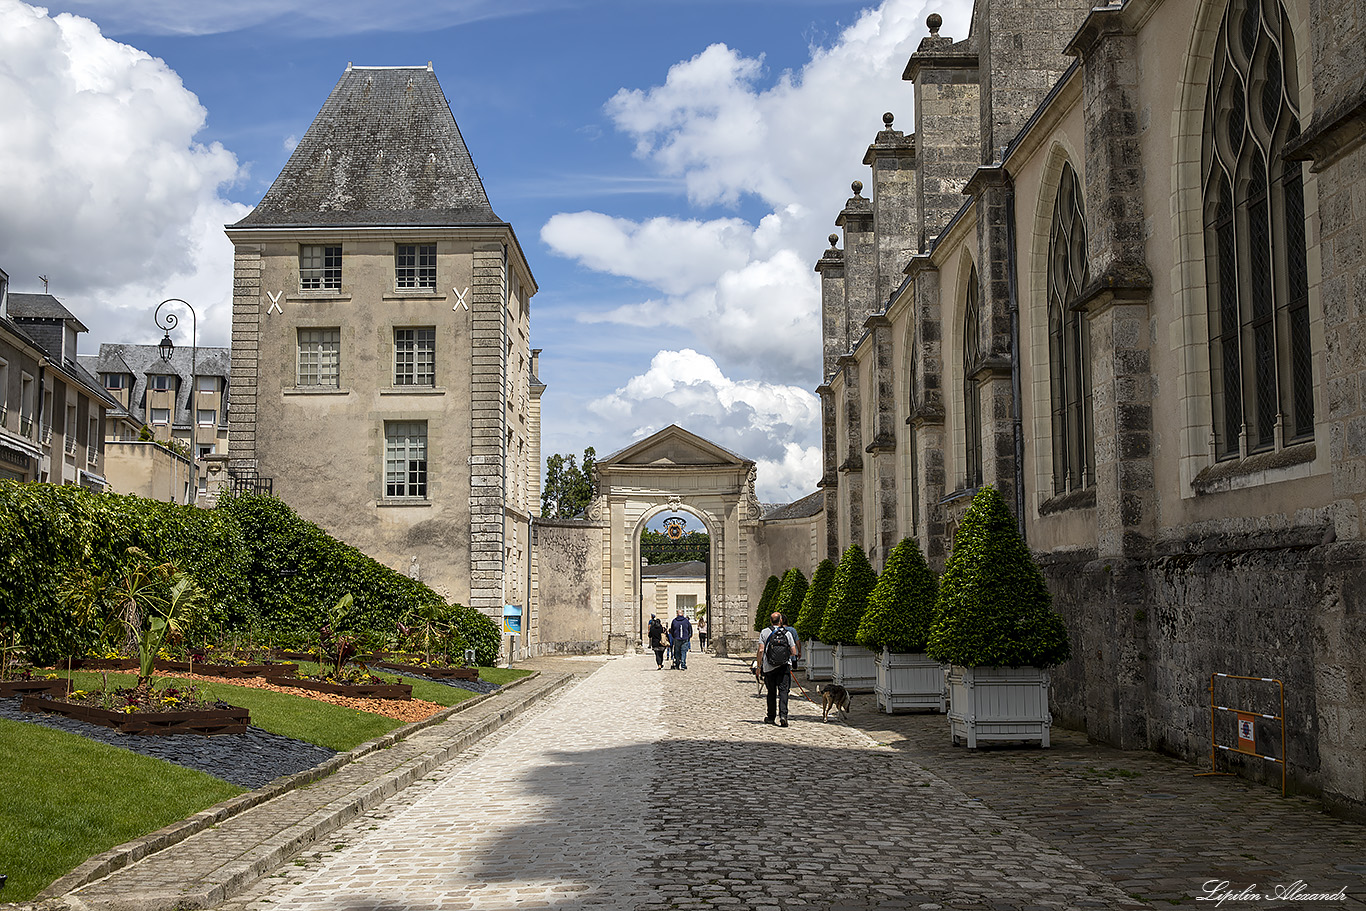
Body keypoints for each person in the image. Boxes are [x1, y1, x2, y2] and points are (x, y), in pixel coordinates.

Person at [757, 612, 798, 726]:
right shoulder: (787, 633)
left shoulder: (765, 632)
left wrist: (759, 666)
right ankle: (783, 716)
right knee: (784, 691)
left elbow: (761, 650)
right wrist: (784, 656)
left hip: (769, 667)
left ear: (770, 621)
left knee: (771, 692)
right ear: (780, 621)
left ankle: (771, 717)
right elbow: (794, 652)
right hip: (784, 667)